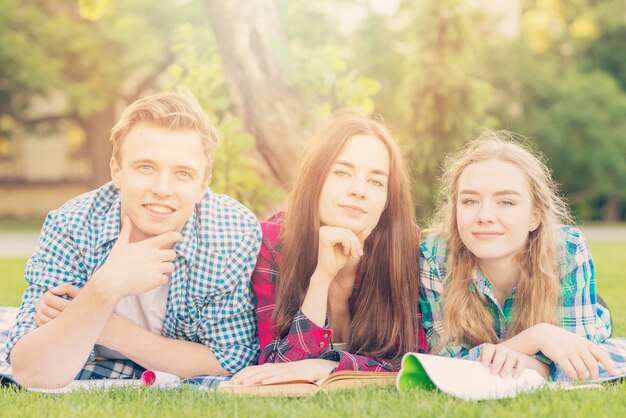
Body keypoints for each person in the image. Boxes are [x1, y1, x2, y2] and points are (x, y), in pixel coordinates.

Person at [6, 89, 262, 388]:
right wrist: (104, 288)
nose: (162, 188)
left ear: (203, 184)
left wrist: (107, 328)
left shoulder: (231, 234)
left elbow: (231, 360)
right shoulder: (73, 224)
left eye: (182, 173)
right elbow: (32, 372)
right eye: (146, 167)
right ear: (117, 170)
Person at [231, 110, 427, 385]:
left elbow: (411, 362)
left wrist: (328, 365)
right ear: (316, 180)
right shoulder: (272, 243)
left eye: (375, 181)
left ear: (387, 200)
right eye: (342, 172)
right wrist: (321, 278)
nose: (359, 190)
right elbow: (279, 368)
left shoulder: (406, 248)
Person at [419, 130, 626, 382]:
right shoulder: (433, 256)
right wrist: (536, 337)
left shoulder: (568, 249)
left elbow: (577, 366)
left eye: (506, 202)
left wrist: (526, 350)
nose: (484, 215)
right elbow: (444, 363)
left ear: (534, 216)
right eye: (470, 201)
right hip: (527, 335)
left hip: (571, 312)